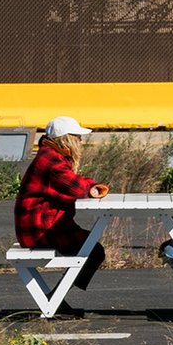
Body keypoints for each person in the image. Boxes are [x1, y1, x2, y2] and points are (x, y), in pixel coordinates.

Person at [13, 117, 110, 289]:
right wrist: (92, 187)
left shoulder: (49, 156)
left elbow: (75, 182)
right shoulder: (51, 161)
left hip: (42, 227)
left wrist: (93, 187)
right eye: (77, 136)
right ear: (66, 138)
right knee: (93, 250)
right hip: (40, 232)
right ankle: (59, 298)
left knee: (93, 249)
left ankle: (58, 297)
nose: (81, 140)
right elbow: (77, 188)